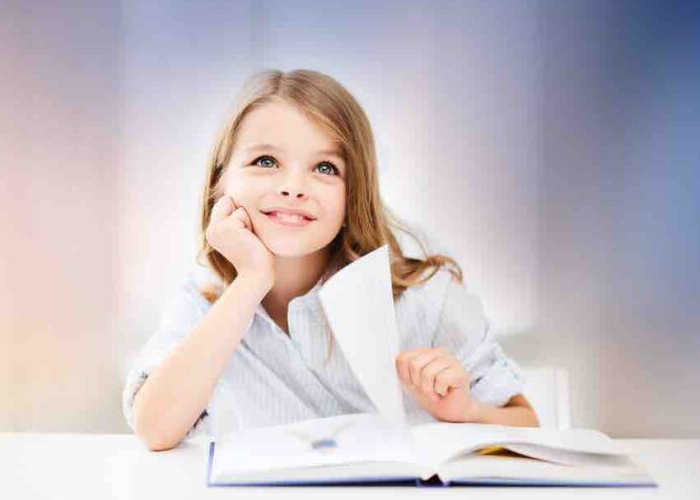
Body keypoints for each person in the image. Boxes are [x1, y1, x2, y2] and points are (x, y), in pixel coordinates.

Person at [122, 68, 539, 451]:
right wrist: (251, 282)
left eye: (324, 167)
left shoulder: (424, 299)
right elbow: (154, 429)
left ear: (352, 193)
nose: (293, 187)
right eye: (265, 161)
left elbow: (527, 426)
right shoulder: (205, 303)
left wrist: (466, 413)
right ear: (220, 182)